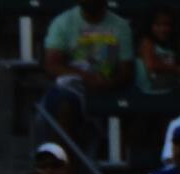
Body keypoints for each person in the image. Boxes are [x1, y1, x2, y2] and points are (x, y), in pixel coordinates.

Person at [41, 0, 134, 141]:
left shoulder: (120, 26)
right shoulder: (62, 22)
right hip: (71, 87)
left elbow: (126, 70)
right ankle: (65, 158)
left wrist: (109, 82)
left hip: (109, 87)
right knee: (63, 105)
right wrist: (85, 77)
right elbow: (51, 65)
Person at [135, 4, 180, 95]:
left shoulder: (175, 41)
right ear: (150, 25)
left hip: (171, 87)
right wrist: (178, 69)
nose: (163, 29)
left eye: (167, 24)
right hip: (150, 89)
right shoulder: (146, 41)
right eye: (158, 25)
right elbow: (151, 65)